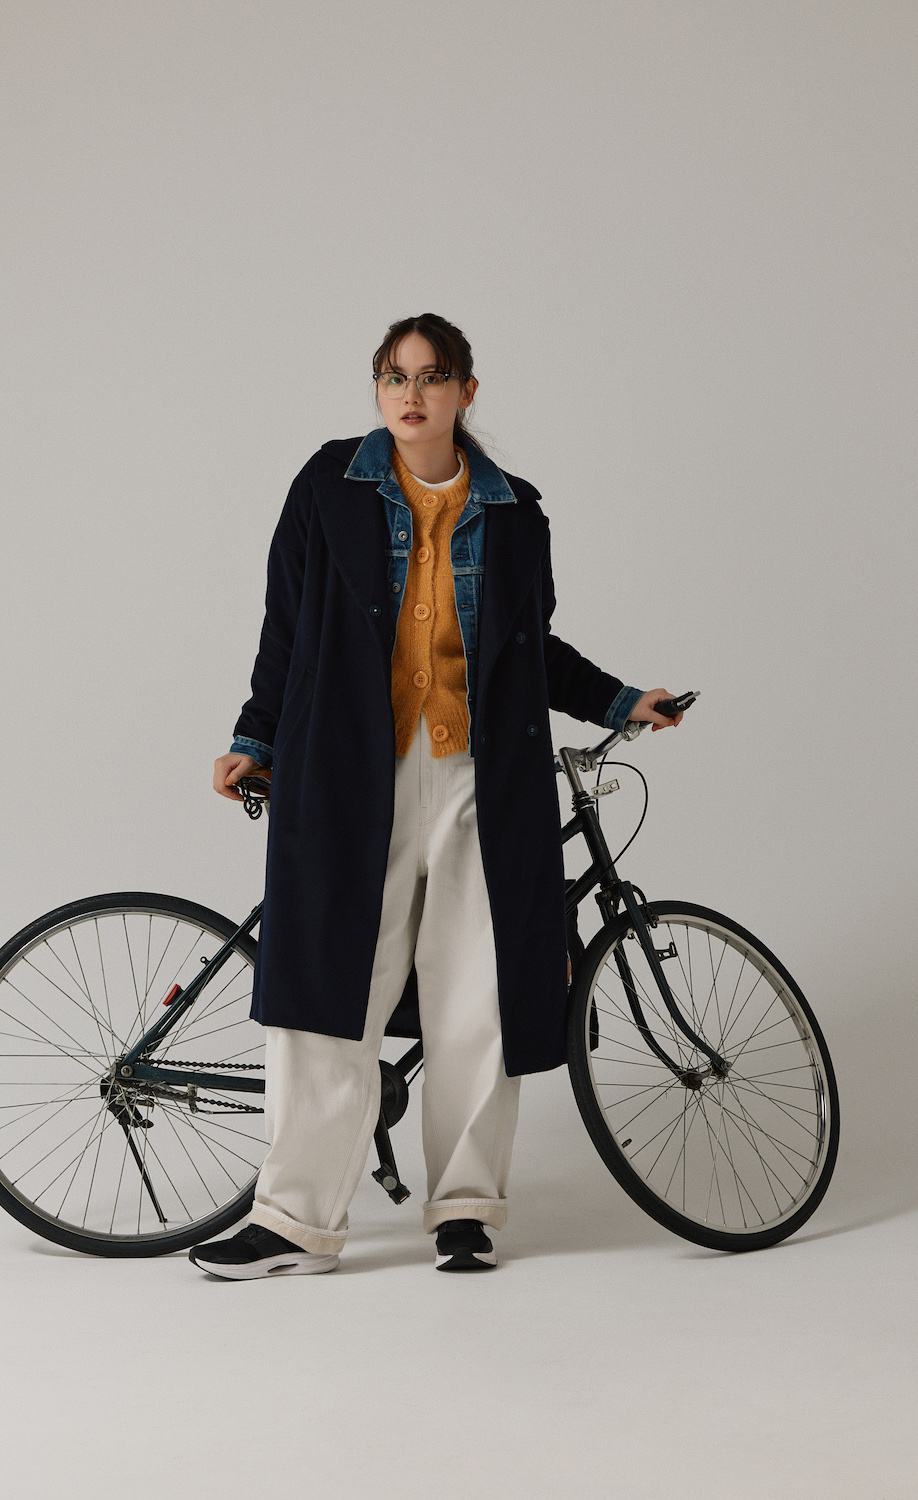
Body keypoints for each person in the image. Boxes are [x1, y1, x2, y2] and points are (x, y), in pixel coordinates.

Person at [189, 313, 684, 1280]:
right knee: (327, 996)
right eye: (394, 376)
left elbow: (532, 649)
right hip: (347, 776)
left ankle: (465, 1208)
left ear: (466, 391)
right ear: (378, 389)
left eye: (431, 376)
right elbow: (285, 626)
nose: (411, 395)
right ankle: (293, 1223)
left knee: (476, 997)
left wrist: (621, 699)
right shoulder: (328, 487)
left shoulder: (515, 514)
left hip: (479, 781)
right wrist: (254, 738)